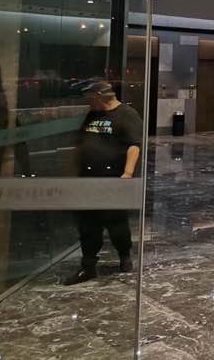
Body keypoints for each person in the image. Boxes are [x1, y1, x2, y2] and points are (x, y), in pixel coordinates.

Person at [64, 80, 142, 285]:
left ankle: (124, 256)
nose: (88, 103)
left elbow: (134, 145)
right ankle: (88, 265)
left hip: (113, 177)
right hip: (88, 178)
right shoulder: (93, 114)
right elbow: (81, 142)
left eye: (90, 98)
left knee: (115, 220)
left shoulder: (126, 114)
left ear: (99, 97)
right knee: (88, 223)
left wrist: (127, 173)